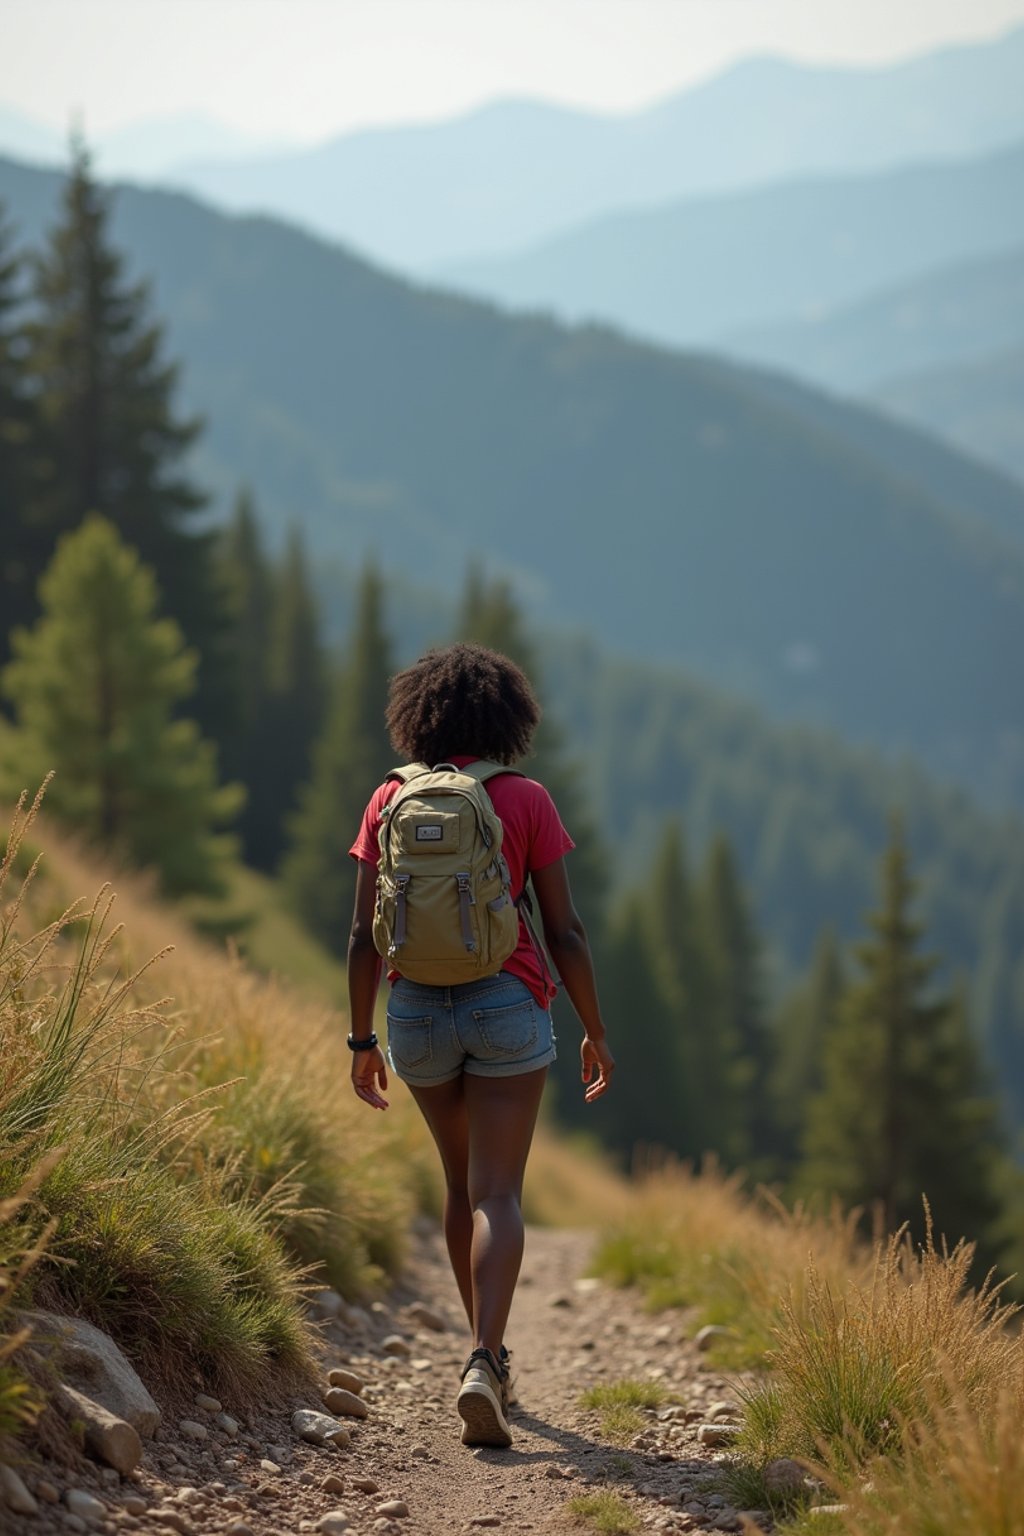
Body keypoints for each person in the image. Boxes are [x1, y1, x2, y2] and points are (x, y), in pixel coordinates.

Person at [347, 642, 615, 1449]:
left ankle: (486, 1356)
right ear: (507, 717)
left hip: (416, 1013)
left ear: (417, 717)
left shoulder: (388, 795)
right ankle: (484, 1362)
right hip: (508, 1002)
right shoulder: (525, 798)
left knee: (460, 1186)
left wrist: (362, 1038)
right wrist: (596, 1030)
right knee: (500, 1191)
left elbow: (365, 933)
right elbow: (564, 928)